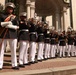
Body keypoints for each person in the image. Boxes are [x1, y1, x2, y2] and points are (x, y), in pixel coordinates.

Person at [0, 2, 19, 70]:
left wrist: (9, 26)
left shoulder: (15, 17)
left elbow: (17, 26)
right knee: (1, 50)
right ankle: (0, 65)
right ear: (6, 8)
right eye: (9, 8)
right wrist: (7, 23)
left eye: (11, 9)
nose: (10, 10)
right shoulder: (2, 15)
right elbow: (0, 24)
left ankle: (14, 64)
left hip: (12, 34)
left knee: (13, 50)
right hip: (3, 34)